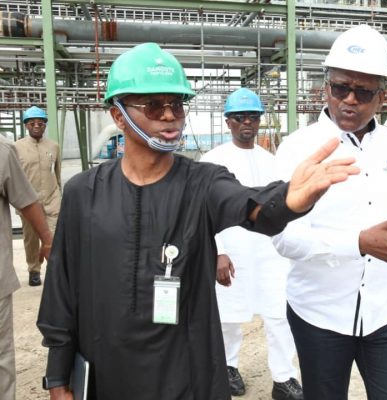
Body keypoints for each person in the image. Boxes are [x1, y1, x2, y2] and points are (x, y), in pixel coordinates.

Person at [36, 42, 359, 400]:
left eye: (176, 104)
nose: (169, 115)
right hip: (107, 374)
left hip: (183, 376)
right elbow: (62, 287)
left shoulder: (203, 182)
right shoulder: (85, 192)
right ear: (118, 116)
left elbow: (250, 207)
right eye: (153, 105)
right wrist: (57, 375)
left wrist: (288, 202)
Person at [273, 25, 387, 400]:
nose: (349, 100)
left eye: (363, 92)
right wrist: (358, 244)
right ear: (325, 86)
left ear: (381, 96)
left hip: (384, 311)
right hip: (320, 315)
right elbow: (283, 238)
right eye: (340, 87)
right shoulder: (298, 149)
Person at [200, 88, 302, 400]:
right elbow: (203, 212)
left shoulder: (273, 161)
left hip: (270, 253)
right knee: (228, 317)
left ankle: (284, 379)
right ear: (228, 121)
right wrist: (218, 251)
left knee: (279, 316)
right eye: (240, 117)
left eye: (253, 117)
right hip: (231, 252)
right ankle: (228, 367)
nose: (247, 123)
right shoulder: (212, 162)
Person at [1, 136, 53, 400]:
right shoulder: (12, 147)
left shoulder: (3, 150)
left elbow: (24, 199)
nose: (37, 126)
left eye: (41, 122)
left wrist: (48, 237)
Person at [14, 106, 61, 286]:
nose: (36, 126)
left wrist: (58, 193)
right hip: (28, 202)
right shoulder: (16, 147)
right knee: (31, 239)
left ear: (44, 125)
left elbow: (56, 174)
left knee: (54, 237)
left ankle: (55, 270)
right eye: (32, 123)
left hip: (52, 200)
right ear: (26, 125)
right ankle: (34, 270)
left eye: (40, 123)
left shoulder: (53, 146)